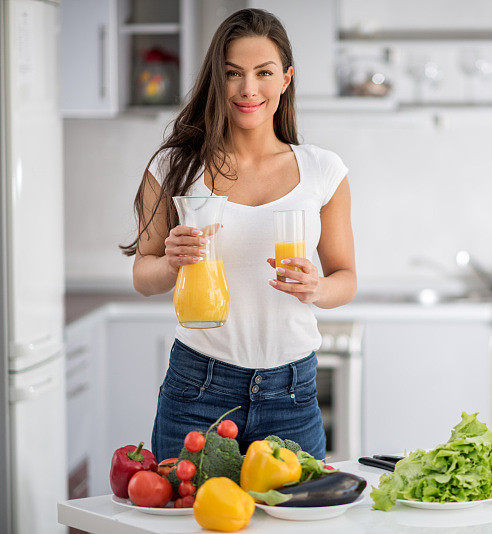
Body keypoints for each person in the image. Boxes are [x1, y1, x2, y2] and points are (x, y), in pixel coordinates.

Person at [120, 8, 356, 461]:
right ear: (216, 80)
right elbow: (142, 275)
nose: (249, 89)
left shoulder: (323, 170)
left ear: (285, 79)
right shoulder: (173, 167)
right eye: (233, 74)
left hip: (292, 395)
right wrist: (170, 262)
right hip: (198, 390)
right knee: (192, 529)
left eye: (263, 72)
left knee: (291, 528)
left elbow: (347, 278)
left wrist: (318, 287)